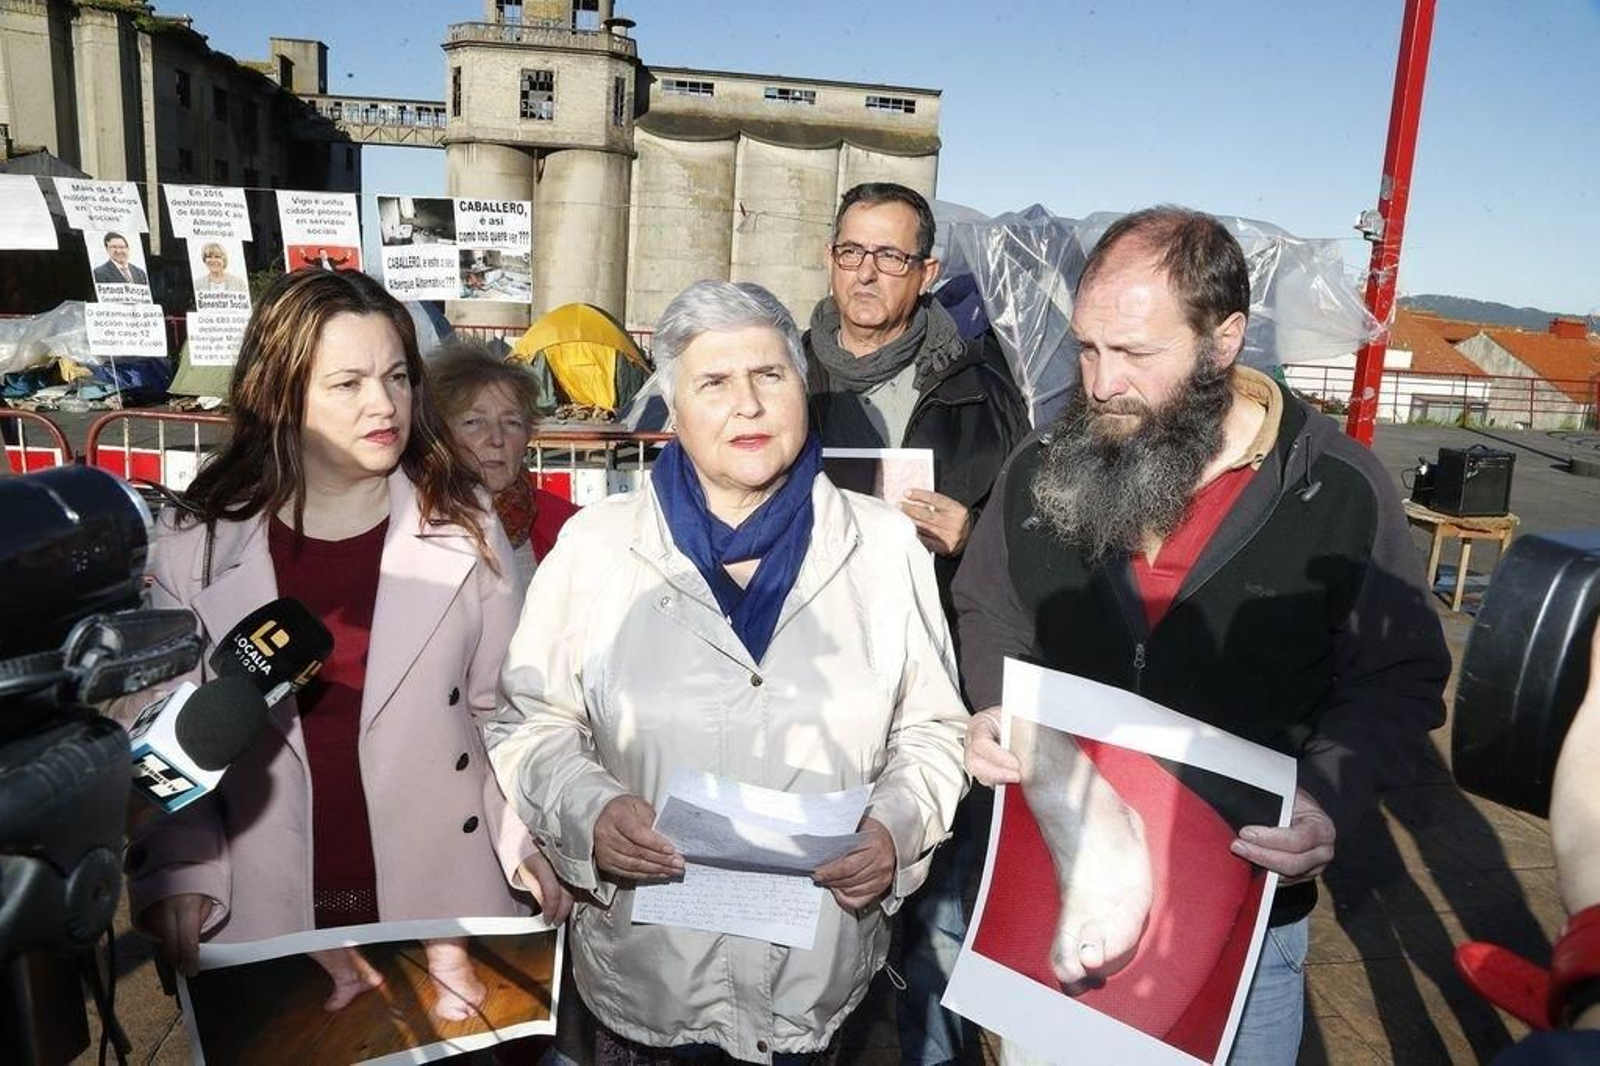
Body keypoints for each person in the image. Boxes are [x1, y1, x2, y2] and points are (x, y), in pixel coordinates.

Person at [956, 205, 1451, 1063]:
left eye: (1137, 354)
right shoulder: (1040, 464)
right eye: (1086, 347)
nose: (1102, 381)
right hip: (1057, 885)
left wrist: (1329, 796)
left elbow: (1397, 678)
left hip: (1246, 921)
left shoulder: (1336, 488)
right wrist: (998, 712)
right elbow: (990, 612)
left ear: (1224, 342)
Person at [486, 279, 969, 1061]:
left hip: (824, 988)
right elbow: (532, 722)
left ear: (803, 391)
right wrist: (590, 813)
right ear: (672, 408)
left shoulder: (882, 548)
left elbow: (933, 729)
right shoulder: (597, 547)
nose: (748, 405)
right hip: (648, 989)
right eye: (713, 382)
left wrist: (895, 829)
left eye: (769, 376)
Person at [117, 268, 571, 1020]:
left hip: (442, 905)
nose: (383, 405)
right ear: (277, 392)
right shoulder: (190, 547)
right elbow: (163, 744)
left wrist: (528, 839)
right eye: (348, 382)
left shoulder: (469, 528)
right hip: (265, 916)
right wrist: (181, 870)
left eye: (397, 377)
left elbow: (506, 716)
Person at [805, 181, 1027, 1064]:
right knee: (815, 912)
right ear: (829, 258)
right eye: (851, 251)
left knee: (937, 927)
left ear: (927, 271)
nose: (866, 273)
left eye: (890, 256)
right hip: (812, 684)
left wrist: (968, 535)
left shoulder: (981, 388)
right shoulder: (781, 373)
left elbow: (1026, 545)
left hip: (935, 684)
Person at [429, 341, 579, 582]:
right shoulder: (410, 522)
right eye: (474, 422)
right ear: (440, 433)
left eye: (511, 423)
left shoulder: (571, 528)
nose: (496, 439)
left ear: (529, 435)